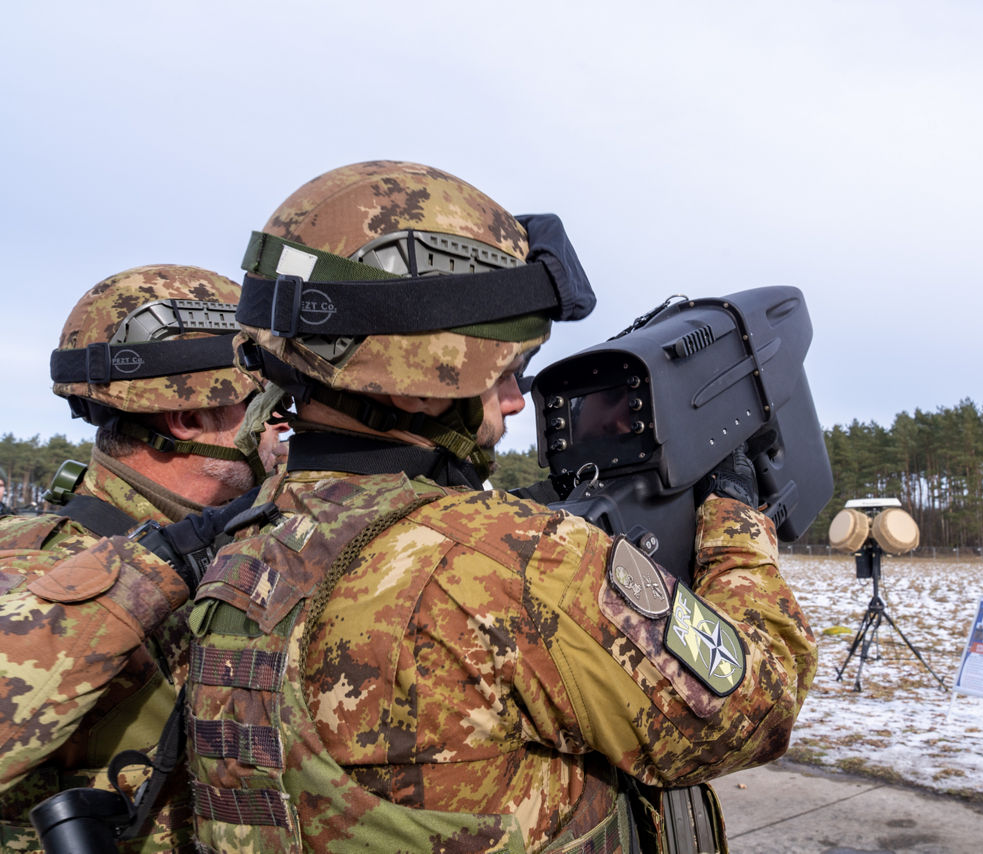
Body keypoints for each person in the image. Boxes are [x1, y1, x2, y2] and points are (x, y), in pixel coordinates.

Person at [184, 161, 817, 854]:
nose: (517, 398)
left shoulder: (240, 541)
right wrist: (735, 521)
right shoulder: (510, 561)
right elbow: (754, 708)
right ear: (419, 379)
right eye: (505, 369)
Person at [0, 265, 288, 852]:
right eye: (263, 403)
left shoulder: (251, 545)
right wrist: (164, 563)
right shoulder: (29, 563)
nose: (282, 422)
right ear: (188, 418)